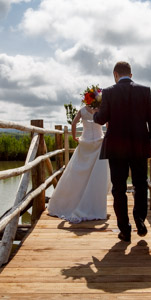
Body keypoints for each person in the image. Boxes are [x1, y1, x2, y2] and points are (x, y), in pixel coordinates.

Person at [93, 61, 151, 242]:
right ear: (130, 75)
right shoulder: (144, 90)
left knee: (119, 189)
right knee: (140, 184)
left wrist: (95, 112)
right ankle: (140, 220)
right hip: (139, 147)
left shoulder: (107, 92)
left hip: (116, 148)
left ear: (115, 74)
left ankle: (125, 229)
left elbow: (101, 119)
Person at [47, 86, 110, 223]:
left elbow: (74, 124)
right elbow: (108, 124)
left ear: (87, 99)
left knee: (78, 173)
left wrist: (75, 137)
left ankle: (72, 201)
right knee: (96, 174)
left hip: (85, 143)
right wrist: (106, 136)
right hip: (99, 142)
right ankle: (94, 204)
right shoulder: (101, 111)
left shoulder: (82, 111)